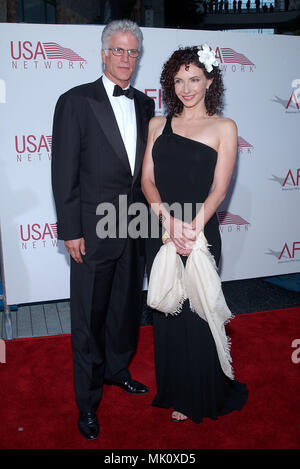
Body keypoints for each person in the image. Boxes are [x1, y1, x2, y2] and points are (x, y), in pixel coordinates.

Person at [51, 19, 155, 440]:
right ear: (103, 53)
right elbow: (63, 172)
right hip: (92, 231)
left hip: (134, 226)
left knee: (125, 310)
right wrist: (71, 229)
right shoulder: (75, 101)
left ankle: (117, 370)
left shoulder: (146, 105)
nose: (126, 59)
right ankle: (88, 403)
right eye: (118, 50)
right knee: (88, 320)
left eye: (133, 52)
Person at [141, 45, 248, 423]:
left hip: (200, 231)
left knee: (198, 313)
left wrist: (191, 227)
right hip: (163, 229)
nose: (186, 88)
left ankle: (201, 393)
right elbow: (147, 180)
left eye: (195, 80)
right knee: (168, 309)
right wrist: (168, 222)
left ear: (210, 82)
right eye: (179, 80)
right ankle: (173, 388)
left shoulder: (224, 127)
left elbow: (220, 189)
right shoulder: (158, 124)